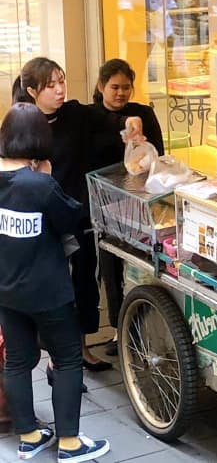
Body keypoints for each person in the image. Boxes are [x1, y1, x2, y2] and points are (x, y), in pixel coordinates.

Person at [12, 57, 144, 372]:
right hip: (41, 218)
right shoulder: (21, 124)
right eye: (51, 85)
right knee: (52, 285)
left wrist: (132, 122)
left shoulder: (75, 114)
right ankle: (57, 355)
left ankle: (81, 348)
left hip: (79, 212)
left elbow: (111, 121)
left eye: (62, 81)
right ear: (32, 91)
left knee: (83, 280)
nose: (60, 90)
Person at [0, 103, 110, 462]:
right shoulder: (39, 184)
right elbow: (70, 220)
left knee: (17, 361)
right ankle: (70, 443)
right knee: (66, 359)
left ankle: (30, 435)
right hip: (47, 290)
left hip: (6, 288)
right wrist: (47, 175)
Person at [90, 58, 164, 356]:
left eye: (126, 87)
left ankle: (143, 324)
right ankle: (120, 330)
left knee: (142, 266)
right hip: (106, 204)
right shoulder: (92, 117)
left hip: (138, 202)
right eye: (114, 87)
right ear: (101, 87)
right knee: (110, 267)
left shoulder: (143, 113)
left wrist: (145, 155)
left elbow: (159, 154)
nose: (121, 93)